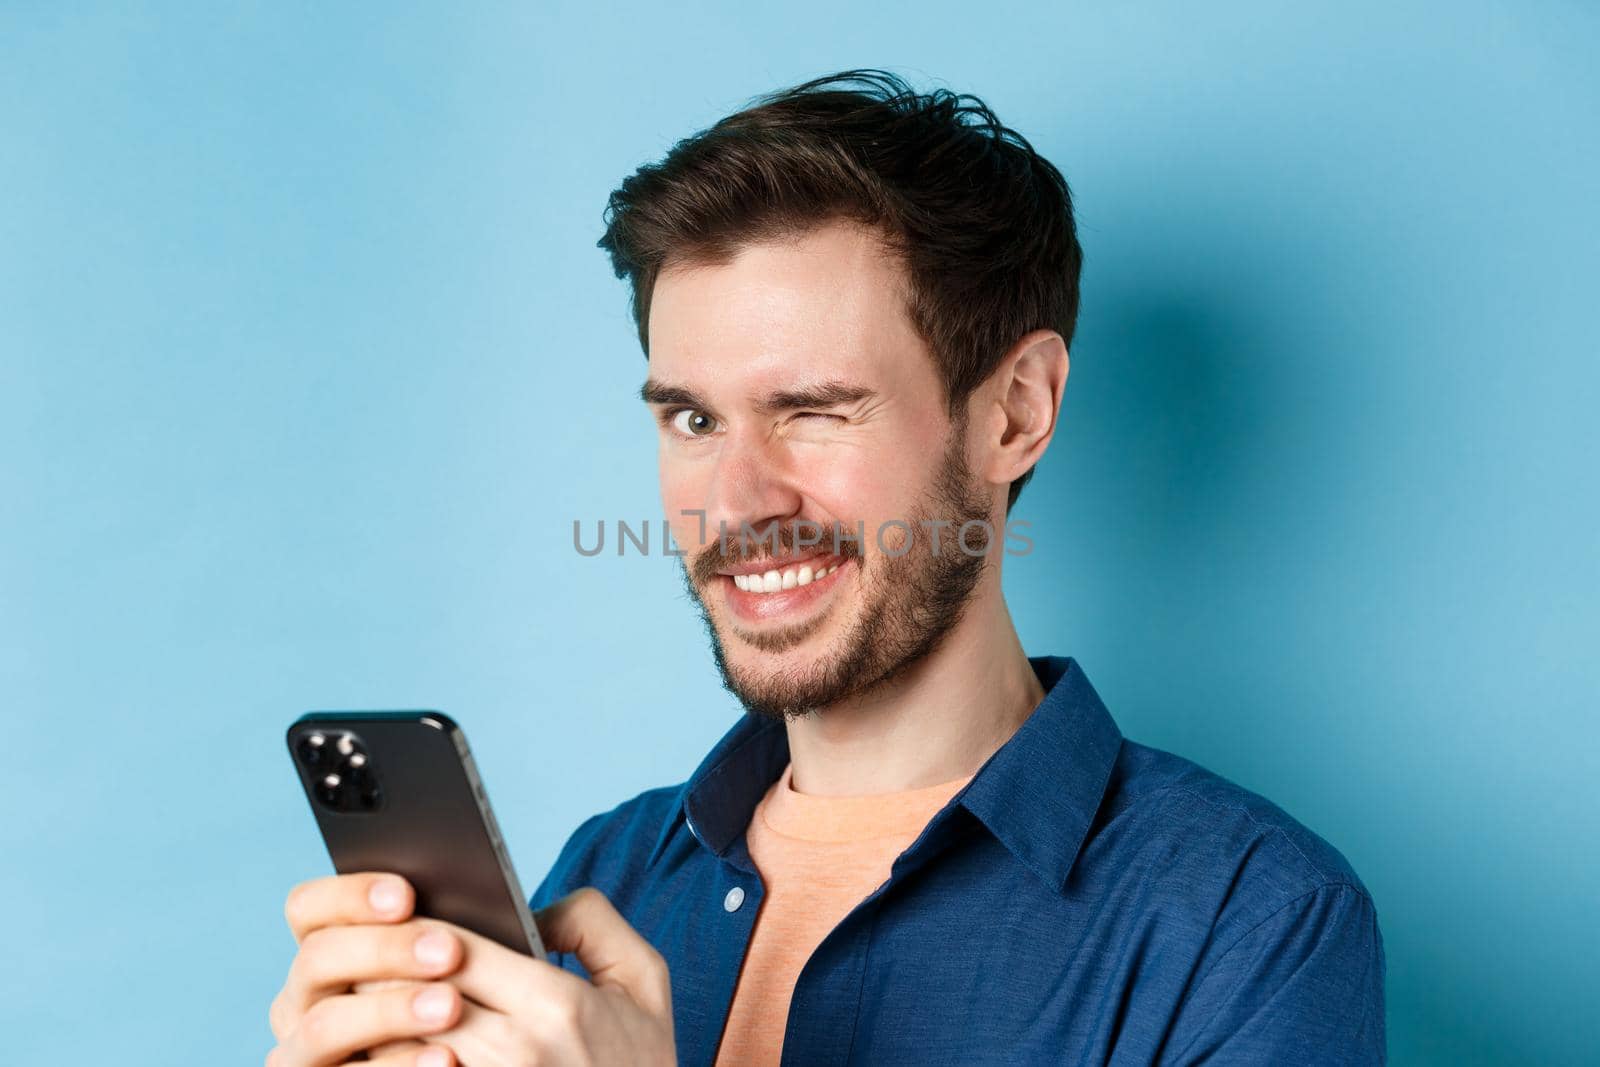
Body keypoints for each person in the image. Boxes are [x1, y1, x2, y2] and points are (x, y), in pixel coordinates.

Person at [265, 69, 1385, 1066]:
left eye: (812, 409)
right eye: (694, 418)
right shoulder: (604, 873)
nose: (739, 500)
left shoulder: (1251, 922)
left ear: (1014, 412)